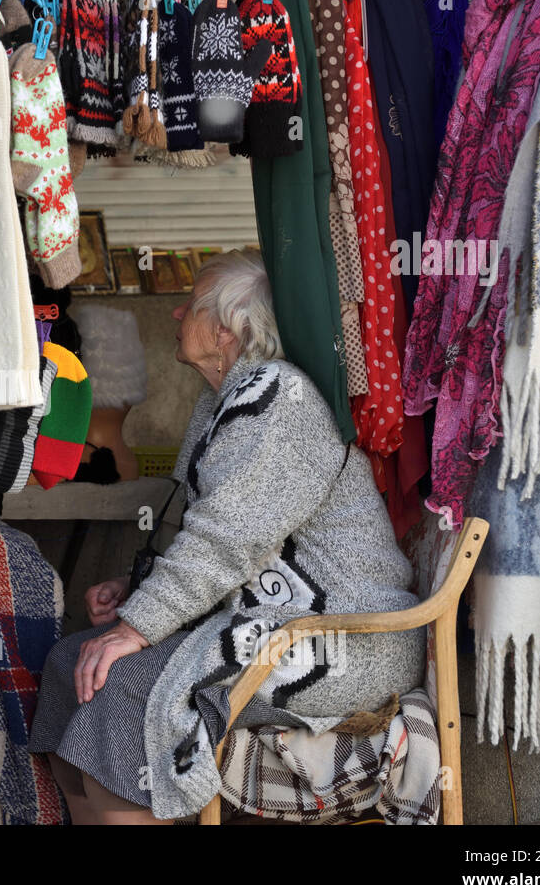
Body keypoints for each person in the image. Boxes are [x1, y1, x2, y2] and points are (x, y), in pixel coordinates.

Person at [29, 250, 424, 824]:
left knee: (123, 689)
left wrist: (138, 627)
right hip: (269, 623)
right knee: (70, 664)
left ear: (224, 330)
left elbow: (225, 542)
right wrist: (135, 592)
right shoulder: (225, 399)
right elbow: (205, 535)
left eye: (188, 305)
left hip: (338, 640)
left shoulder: (277, 398)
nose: (174, 315)